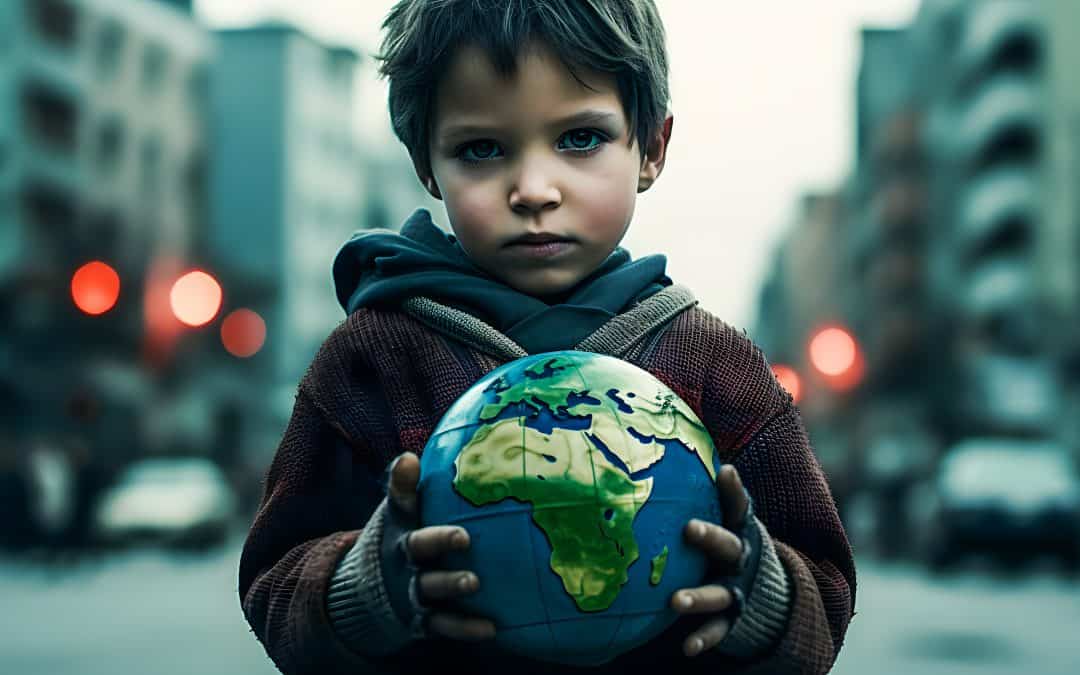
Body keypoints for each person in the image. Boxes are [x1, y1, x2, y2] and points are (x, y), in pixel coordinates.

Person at [238, 1, 855, 673]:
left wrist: (756, 589)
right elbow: (273, 584)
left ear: (650, 148)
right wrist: (367, 585)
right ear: (427, 165)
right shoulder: (373, 357)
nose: (533, 189)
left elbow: (825, 602)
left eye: (580, 138)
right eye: (482, 149)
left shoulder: (715, 362)